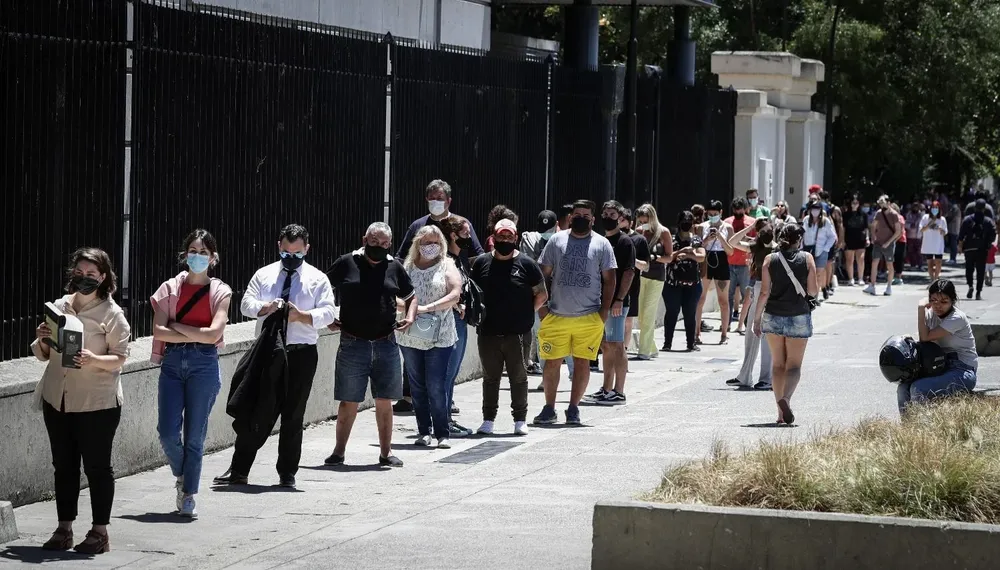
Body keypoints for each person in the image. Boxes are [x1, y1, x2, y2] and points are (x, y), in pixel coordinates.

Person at [214, 224, 337, 489]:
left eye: (297, 253)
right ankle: (239, 469)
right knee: (256, 408)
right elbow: (246, 304)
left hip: (301, 352)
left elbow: (329, 313)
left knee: (293, 414)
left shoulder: (317, 279)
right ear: (279, 247)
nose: (291, 258)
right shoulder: (265, 274)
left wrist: (302, 316)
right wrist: (266, 308)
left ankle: (287, 473)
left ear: (307, 250)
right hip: (269, 351)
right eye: (286, 252)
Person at [32, 248, 131, 554]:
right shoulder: (60, 307)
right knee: (63, 466)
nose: (84, 279)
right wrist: (42, 338)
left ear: (103, 277)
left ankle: (99, 532)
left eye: (91, 274)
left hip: (96, 403)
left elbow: (120, 358)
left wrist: (92, 358)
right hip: (57, 398)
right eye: (79, 273)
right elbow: (44, 354)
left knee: (98, 468)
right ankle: (64, 529)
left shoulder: (112, 315)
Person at [151, 230, 232, 518]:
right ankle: (183, 475)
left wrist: (178, 327)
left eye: (203, 252)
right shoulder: (169, 288)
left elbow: (213, 336)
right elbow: (158, 330)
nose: (197, 257)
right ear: (185, 254)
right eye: (193, 251)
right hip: (172, 363)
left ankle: (188, 494)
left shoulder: (220, 291)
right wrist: (195, 332)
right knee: (168, 432)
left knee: (195, 435)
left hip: (204, 363)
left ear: (213, 258)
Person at [323, 222, 413, 468]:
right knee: (348, 401)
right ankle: (338, 452)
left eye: (384, 244)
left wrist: (411, 316)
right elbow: (321, 287)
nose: (379, 248)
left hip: (386, 343)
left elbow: (410, 296)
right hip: (353, 342)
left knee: (385, 401)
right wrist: (328, 316)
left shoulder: (394, 266)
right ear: (365, 240)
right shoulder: (346, 262)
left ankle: (386, 453)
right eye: (375, 243)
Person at [394, 180, 484, 414]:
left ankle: (442, 403)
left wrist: (467, 285)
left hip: (450, 306)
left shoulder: (462, 227)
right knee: (415, 348)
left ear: (449, 201)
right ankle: (412, 397)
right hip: (419, 301)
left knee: (446, 358)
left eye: (440, 198)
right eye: (432, 197)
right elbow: (401, 257)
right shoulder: (418, 226)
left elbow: (477, 255)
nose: (436, 202)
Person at [534, 200, 617, 425]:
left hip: (589, 317)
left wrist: (604, 312)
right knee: (552, 363)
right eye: (577, 214)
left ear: (593, 219)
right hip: (556, 315)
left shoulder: (602, 244)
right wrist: (542, 308)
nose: (581, 217)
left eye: (586, 214)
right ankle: (549, 408)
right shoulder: (556, 240)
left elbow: (610, 280)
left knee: (582, 363)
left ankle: (573, 408)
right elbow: (543, 276)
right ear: (570, 217)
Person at [471, 219, 547, 435]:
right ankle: (488, 420)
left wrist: (526, 312)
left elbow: (541, 293)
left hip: (518, 333)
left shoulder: (527, 264)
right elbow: (473, 292)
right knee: (490, 377)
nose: (505, 240)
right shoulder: (481, 263)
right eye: (500, 236)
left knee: (519, 376)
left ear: (516, 238)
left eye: (509, 236)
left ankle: (519, 420)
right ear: (493, 238)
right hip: (488, 332)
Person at [397, 225, 463, 448]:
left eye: (435, 242)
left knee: (436, 384)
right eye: (426, 243)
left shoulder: (447, 265)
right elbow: (394, 294)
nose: (430, 247)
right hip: (411, 335)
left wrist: (426, 308)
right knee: (417, 385)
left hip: (440, 336)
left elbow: (455, 294)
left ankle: (442, 432)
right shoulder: (406, 267)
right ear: (417, 244)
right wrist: (410, 309)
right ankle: (423, 431)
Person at [752, 223, 818, 425]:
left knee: (778, 364)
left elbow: (764, 292)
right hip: (798, 315)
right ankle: (786, 400)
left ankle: (780, 414)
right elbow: (813, 291)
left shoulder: (770, 259)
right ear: (799, 240)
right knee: (794, 365)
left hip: (773, 315)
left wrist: (756, 320)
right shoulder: (807, 259)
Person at [897, 279, 977, 415]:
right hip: (939, 365)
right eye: (933, 301)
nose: (938, 306)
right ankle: (908, 431)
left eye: (944, 302)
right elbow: (923, 339)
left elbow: (926, 337)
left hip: (962, 371)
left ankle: (923, 429)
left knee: (918, 388)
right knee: (903, 387)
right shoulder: (932, 315)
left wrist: (921, 309)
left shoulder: (957, 318)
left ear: (953, 300)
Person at [586, 200, 636, 405]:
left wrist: (619, 299)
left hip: (617, 303)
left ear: (621, 218)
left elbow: (629, 272)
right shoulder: (599, 241)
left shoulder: (625, 242)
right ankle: (606, 388)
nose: (608, 217)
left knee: (617, 346)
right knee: (605, 346)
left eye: (612, 214)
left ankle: (619, 391)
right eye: (605, 213)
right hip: (600, 302)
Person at [438, 214, 476, 437]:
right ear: (453, 235)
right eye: (465, 233)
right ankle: (441, 421)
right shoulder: (445, 261)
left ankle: (447, 418)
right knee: (445, 372)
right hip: (448, 322)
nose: (469, 237)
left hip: (460, 322)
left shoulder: (460, 257)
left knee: (451, 374)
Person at [725, 220, 774, 390]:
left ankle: (767, 379)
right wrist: (751, 228)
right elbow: (732, 242)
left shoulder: (776, 248)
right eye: (761, 230)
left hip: (771, 291)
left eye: (767, 229)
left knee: (765, 335)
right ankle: (745, 376)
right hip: (759, 288)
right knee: (751, 333)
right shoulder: (756, 246)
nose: (765, 232)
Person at [661, 211, 706, 352]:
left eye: (689, 221)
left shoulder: (696, 239)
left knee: (690, 313)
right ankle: (667, 343)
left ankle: (690, 343)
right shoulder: (672, 239)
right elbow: (668, 257)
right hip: (673, 283)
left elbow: (701, 257)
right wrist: (681, 251)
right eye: (684, 221)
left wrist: (688, 253)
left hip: (692, 284)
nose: (686, 224)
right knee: (671, 313)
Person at [520, 210, 558, 376]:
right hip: (538, 298)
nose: (545, 234)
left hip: (559, 299)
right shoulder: (530, 241)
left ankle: (572, 373)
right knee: (541, 336)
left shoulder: (563, 241)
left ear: (556, 226)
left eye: (549, 230)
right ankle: (546, 373)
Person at [695, 200, 735, 345]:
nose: (712, 216)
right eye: (710, 214)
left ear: (721, 213)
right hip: (707, 260)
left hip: (721, 261)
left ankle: (724, 333)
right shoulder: (702, 227)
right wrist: (707, 239)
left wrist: (720, 237)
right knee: (700, 298)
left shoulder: (727, 228)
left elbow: (730, 251)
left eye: (715, 214)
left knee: (723, 300)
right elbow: (697, 246)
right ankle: (697, 332)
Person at [634, 204, 671, 359]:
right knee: (641, 316)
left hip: (656, 277)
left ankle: (643, 351)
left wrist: (656, 258)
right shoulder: (639, 232)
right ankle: (652, 347)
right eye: (641, 220)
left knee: (649, 314)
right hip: (642, 276)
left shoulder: (663, 232)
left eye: (646, 219)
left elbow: (670, 256)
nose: (643, 222)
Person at [620, 209, 649, 357]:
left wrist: (633, 260)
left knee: (628, 320)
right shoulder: (612, 237)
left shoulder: (639, 240)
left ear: (630, 222)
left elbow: (645, 265)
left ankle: (623, 351)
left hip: (632, 284)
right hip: (613, 283)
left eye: (622, 220)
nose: (619, 223)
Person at [958, 199, 998, 300]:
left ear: (975, 207)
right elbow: (993, 235)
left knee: (969, 269)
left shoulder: (967, 219)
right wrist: (988, 243)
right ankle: (978, 292)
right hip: (982, 249)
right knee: (980, 271)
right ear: (984, 209)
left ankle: (970, 286)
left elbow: (961, 235)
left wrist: (960, 246)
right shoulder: (988, 221)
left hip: (969, 249)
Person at [724, 197, 753, 333]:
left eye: (740, 211)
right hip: (729, 263)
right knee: (728, 296)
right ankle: (727, 323)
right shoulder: (727, 222)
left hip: (744, 264)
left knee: (746, 296)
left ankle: (747, 324)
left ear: (745, 209)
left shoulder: (751, 222)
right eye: (735, 211)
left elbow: (756, 242)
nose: (737, 213)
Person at [864, 196, 902, 296]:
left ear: (888, 202)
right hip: (878, 243)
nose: (881, 205)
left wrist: (889, 242)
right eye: (880, 203)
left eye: (883, 202)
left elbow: (898, 231)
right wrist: (873, 236)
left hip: (888, 243)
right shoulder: (879, 213)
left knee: (889, 264)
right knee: (874, 262)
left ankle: (889, 286)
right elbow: (873, 225)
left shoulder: (894, 214)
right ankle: (872, 286)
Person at [803, 201, 837, 300]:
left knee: (818, 274)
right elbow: (802, 234)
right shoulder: (806, 220)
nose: (815, 211)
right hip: (808, 251)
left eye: (817, 209)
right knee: (808, 274)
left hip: (821, 251)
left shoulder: (825, 221)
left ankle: (815, 298)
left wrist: (825, 249)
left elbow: (832, 237)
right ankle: (808, 295)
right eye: (813, 208)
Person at [820, 189, 844, 297]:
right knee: (826, 265)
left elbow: (839, 225)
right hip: (822, 241)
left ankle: (828, 285)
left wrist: (839, 240)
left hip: (830, 240)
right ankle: (824, 286)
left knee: (829, 264)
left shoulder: (833, 209)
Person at [842, 194, 869, 286]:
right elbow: (843, 228)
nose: (854, 205)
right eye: (853, 203)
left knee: (860, 259)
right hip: (849, 238)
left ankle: (860, 278)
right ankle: (851, 278)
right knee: (849, 260)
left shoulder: (863, 215)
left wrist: (867, 238)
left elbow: (866, 228)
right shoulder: (846, 215)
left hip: (860, 238)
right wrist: (842, 240)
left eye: (856, 203)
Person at [920, 201, 947, 282]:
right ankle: (932, 279)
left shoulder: (942, 219)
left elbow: (945, 232)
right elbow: (921, 229)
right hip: (928, 244)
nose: (934, 210)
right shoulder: (925, 217)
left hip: (938, 244)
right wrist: (930, 224)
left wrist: (939, 228)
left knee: (938, 262)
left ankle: (936, 279)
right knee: (930, 263)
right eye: (933, 208)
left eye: (936, 208)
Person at [905, 202, 925, 271]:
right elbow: (905, 223)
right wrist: (910, 225)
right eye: (914, 207)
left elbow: (924, 224)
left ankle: (920, 265)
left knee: (919, 251)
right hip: (910, 235)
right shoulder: (909, 214)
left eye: (917, 207)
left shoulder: (922, 215)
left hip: (919, 235)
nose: (915, 208)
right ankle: (913, 265)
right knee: (911, 251)